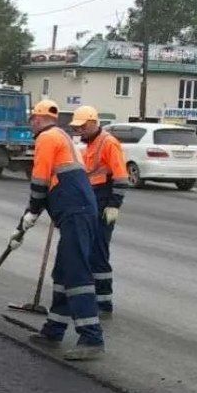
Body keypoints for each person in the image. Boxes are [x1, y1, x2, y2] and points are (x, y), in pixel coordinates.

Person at [13, 99, 105, 360]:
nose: (31, 124)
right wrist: (32, 214)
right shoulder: (62, 136)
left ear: (39, 119)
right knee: (63, 271)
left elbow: (40, 180)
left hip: (75, 212)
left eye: (32, 119)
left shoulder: (45, 139)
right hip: (78, 210)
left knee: (76, 273)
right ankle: (53, 329)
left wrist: (31, 212)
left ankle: (92, 337)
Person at [70, 105, 128, 317]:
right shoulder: (87, 143)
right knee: (88, 252)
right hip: (91, 201)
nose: (80, 131)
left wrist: (114, 205)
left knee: (98, 254)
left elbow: (121, 177)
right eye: (77, 127)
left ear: (94, 123)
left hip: (104, 203)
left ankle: (104, 303)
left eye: (83, 126)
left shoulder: (108, 142)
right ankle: (92, 297)